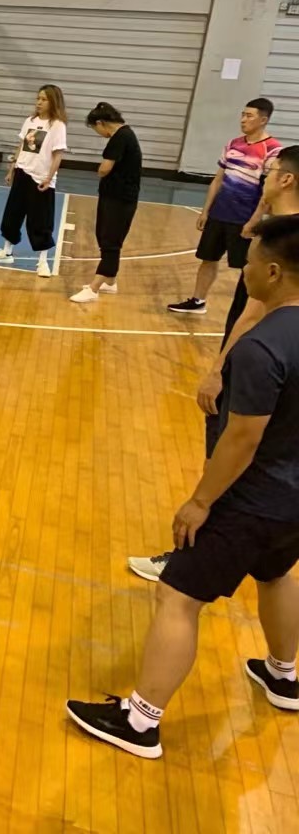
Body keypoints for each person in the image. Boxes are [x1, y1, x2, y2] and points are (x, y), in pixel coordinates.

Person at [69, 213, 299, 759]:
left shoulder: (263, 346)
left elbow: (243, 438)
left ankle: (140, 721)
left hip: (250, 500)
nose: (243, 271)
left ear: (273, 271)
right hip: (293, 502)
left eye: (250, 262)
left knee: (177, 595)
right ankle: (284, 675)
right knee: (275, 574)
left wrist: (200, 501)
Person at [126, 145, 299, 583]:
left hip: (256, 373)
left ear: (287, 179)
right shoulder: (280, 232)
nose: (262, 176)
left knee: (226, 462)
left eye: (270, 171)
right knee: (273, 570)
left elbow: (252, 316)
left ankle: (190, 556)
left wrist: (219, 370)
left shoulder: (279, 248)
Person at [168, 99, 283, 315]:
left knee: (246, 266)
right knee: (208, 258)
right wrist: (206, 210)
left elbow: (268, 191)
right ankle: (198, 301)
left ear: (263, 120)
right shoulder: (233, 144)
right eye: (243, 114)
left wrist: (254, 221)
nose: (243, 120)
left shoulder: (273, 150)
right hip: (219, 214)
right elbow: (218, 179)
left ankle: (246, 312)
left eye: (249, 116)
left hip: (244, 217)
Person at [0, 85, 69, 277]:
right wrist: (12, 168)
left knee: (40, 221)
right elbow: (21, 145)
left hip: (40, 178)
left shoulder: (58, 126)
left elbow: (58, 155)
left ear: (53, 102)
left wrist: (49, 178)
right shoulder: (30, 121)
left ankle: (43, 261)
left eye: (44, 99)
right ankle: (7, 252)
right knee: (12, 215)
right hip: (22, 172)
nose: (39, 102)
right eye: (38, 98)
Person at [71, 103, 144, 303]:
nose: (98, 133)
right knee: (106, 238)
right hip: (116, 197)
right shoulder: (126, 134)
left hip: (119, 199)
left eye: (95, 129)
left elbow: (104, 168)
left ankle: (93, 289)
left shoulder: (120, 137)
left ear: (100, 123)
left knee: (110, 241)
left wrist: (100, 171)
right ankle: (110, 281)